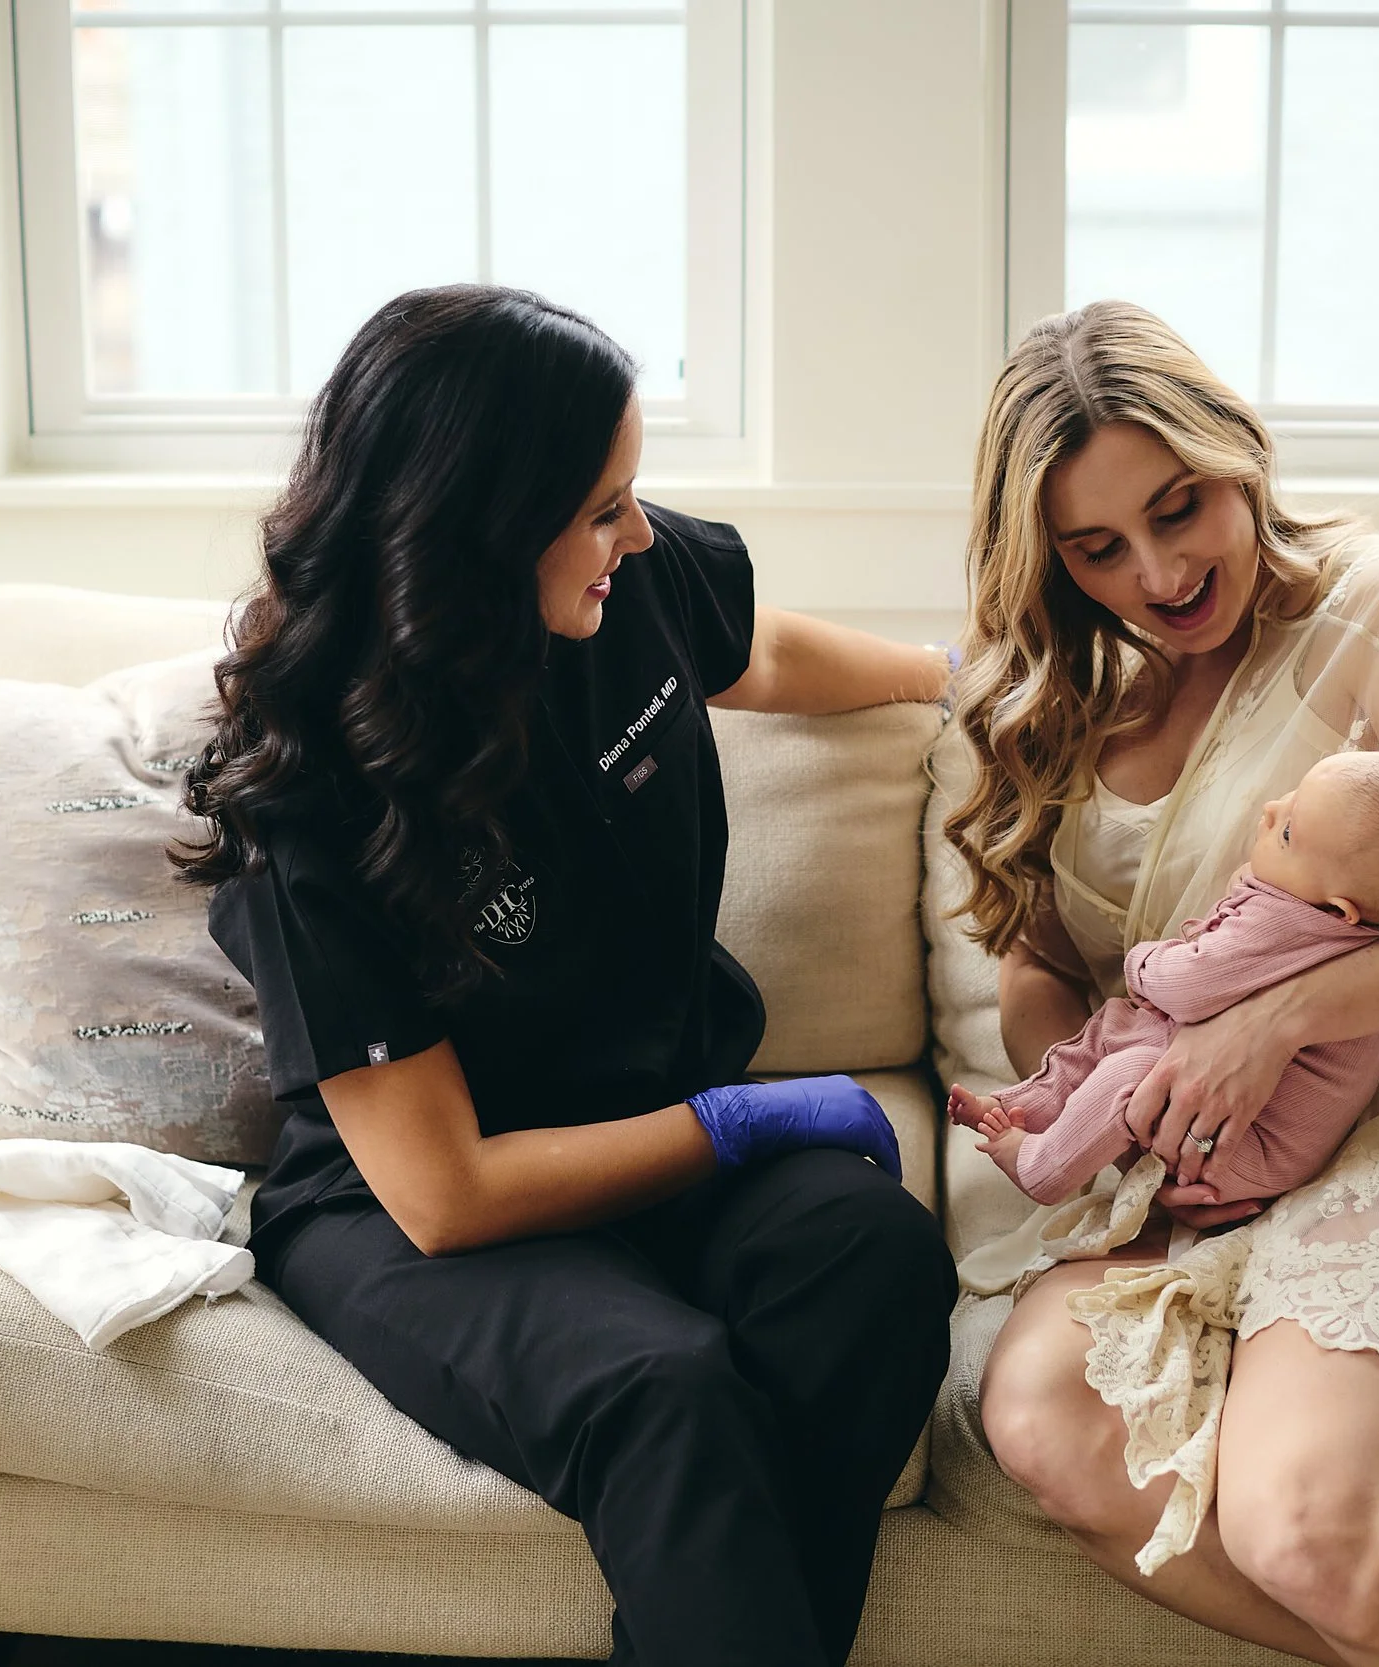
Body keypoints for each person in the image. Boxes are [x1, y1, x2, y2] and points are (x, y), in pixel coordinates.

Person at [177, 284, 960, 1667]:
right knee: (666, 1388)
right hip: (414, 1206)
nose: (640, 533)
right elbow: (448, 1193)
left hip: (653, 1122)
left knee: (876, 1260)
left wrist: (955, 674)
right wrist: (736, 1122)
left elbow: (761, 647)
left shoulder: (627, 583)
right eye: (604, 508)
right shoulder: (308, 798)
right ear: (482, 527)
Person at [942, 301, 1379, 1667]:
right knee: (1044, 1422)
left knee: (1302, 1525)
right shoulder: (1068, 702)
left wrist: (1273, 1021)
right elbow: (1038, 963)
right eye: (1099, 547)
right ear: (1048, 559)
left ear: (1238, 454)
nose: (1160, 570)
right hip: (1195, 1165)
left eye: (1180, 507)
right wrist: (1109, 1092)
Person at [948, 749, 1379, 1208]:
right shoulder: (1339, 915)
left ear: (1339, 907)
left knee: (1127, 1068)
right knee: (1114, 1031)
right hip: (1224, 1112)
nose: (1270, 810)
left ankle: (1042, 1170)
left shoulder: (1287, 922)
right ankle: (1026, 1109)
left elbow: (1190, 985)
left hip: (1243, 1144)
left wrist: (1141, 964)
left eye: (1288, 832)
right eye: (1291, 798)